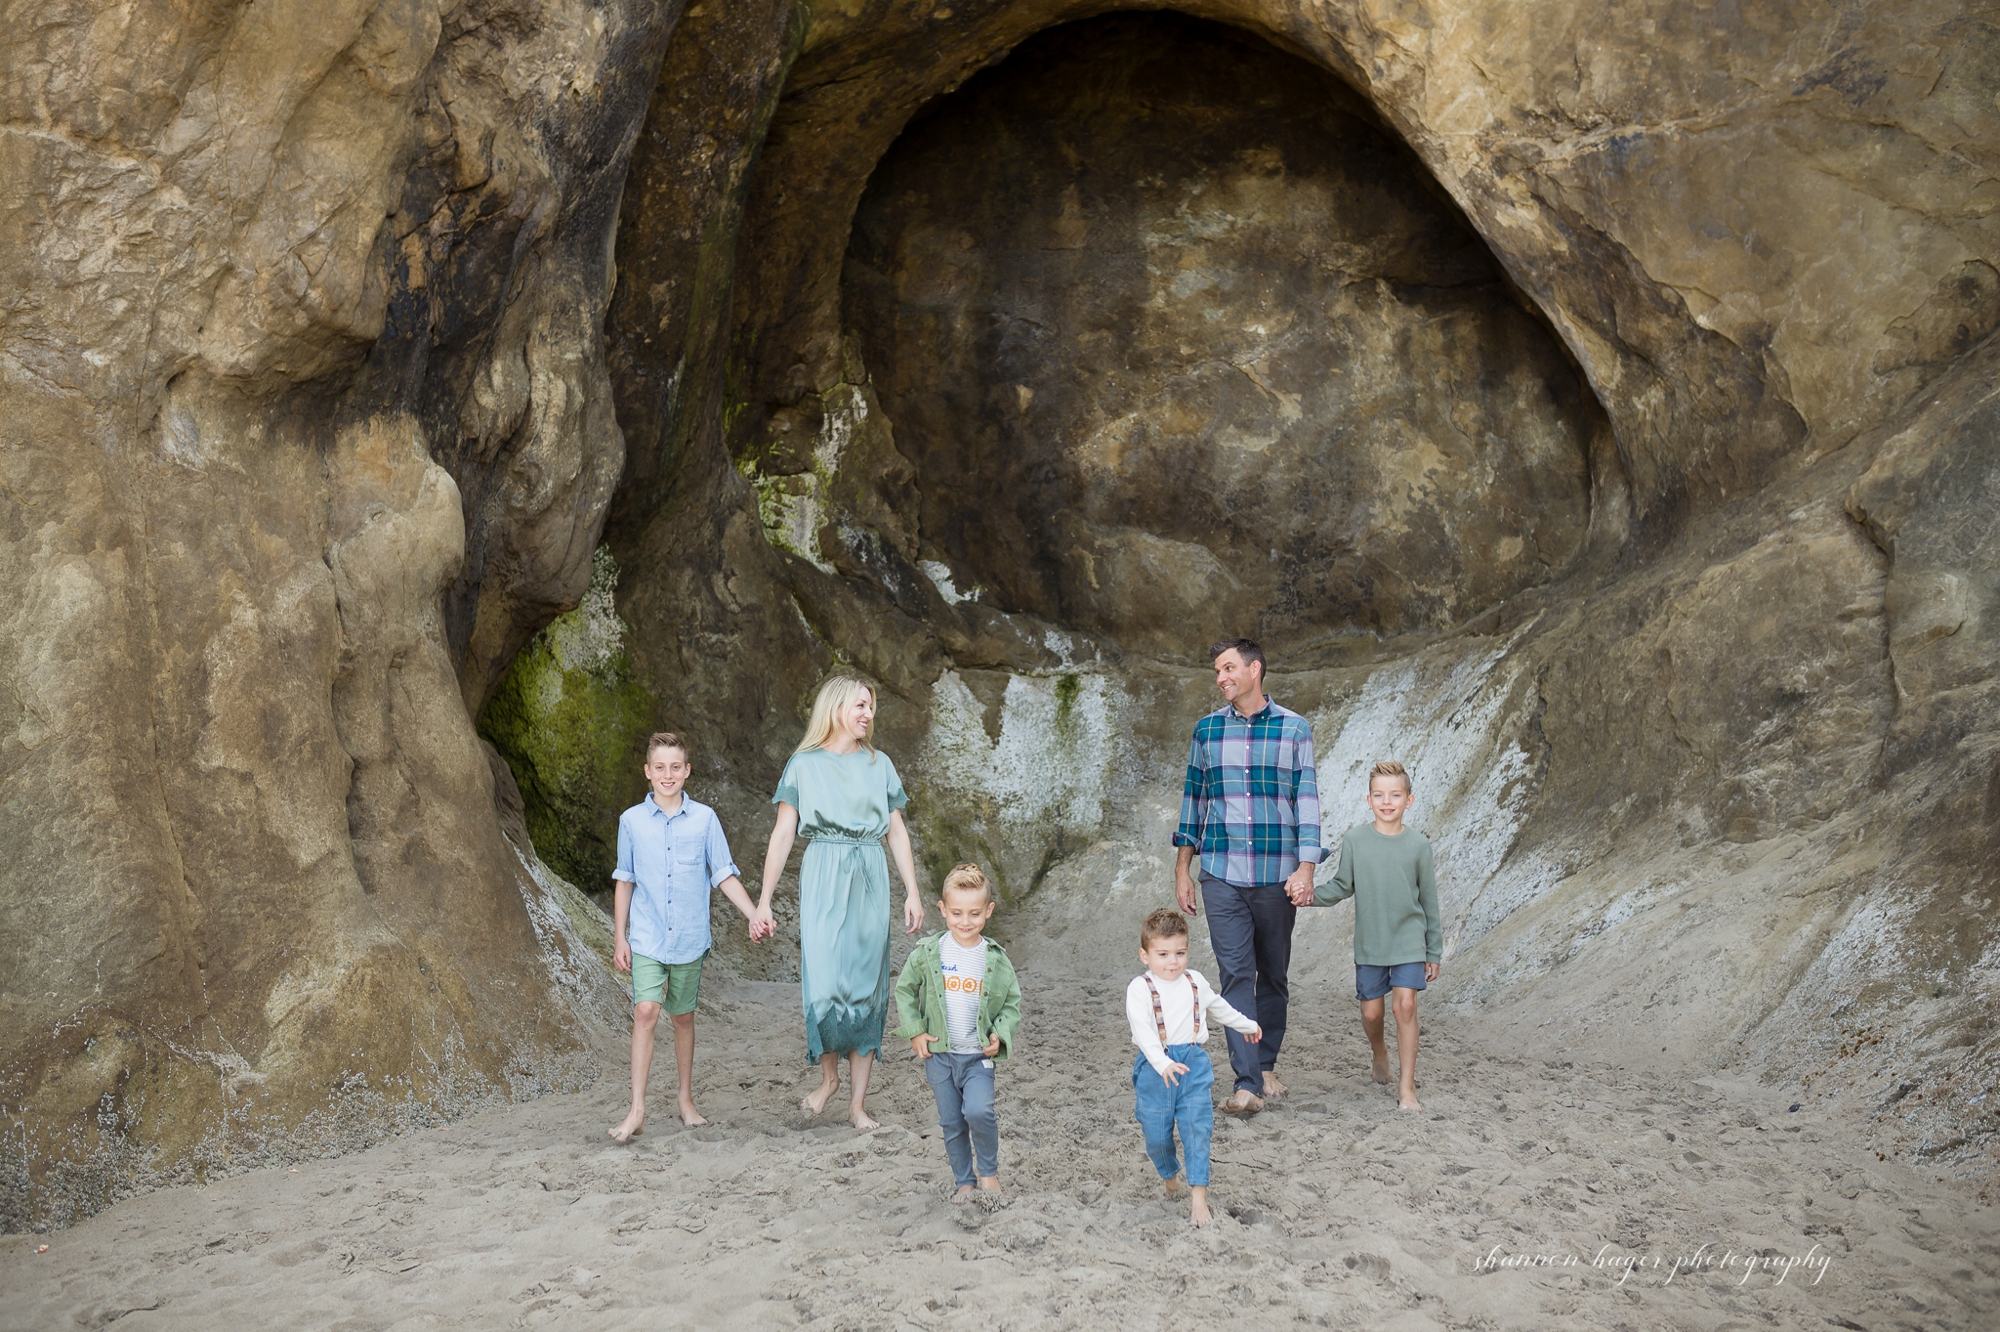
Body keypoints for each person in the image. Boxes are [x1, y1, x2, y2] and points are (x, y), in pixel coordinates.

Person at [753, 675, 925, 1129]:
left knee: (866, 985)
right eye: (860, 705)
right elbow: (783, 833)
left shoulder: (880, 764)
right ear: (835, 708)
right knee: (826, 983)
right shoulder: (803, 765)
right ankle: (828, 1079)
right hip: (824, 871)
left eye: (871, 706)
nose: (868, 714)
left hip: (869, 873)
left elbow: (896, 831)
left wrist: (912, 890)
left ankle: (856, 1105)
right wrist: (764, 900)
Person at [1172, 637, 1326, 1115]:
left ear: (1254, 670)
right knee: (1236, 973)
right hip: (1220, 872)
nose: (1220, 677)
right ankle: (1247, 1082)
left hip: (1278, 875)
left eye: (1228, 668)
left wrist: (1305, 868)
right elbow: (1193, 801)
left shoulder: (1295, 730)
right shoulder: (1206, 732)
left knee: (1272, 975)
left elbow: (1307, 801)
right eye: (1217, 670)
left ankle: (1266, 1062)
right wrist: (1183, 868)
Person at [608, 732, 763, 1143]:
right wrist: (619, 937)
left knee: (683, 1018)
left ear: (687, 771)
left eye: (675, 767)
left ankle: (685, 1098)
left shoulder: (705, 819)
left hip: (689, 938)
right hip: (646, 937)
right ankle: (637, 1108)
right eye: (659, 767)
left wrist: (753, 914)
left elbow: (724, 873)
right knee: (645, 1011)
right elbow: (625, 881)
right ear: (647, 772)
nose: (668, 774)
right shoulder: (631, 822)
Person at [1312, 760, 1442, 1112]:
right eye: (1379, 795)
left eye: (1395, 795)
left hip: (1408, 940)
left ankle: (1407, 1087)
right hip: (1371, 942)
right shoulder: (1355, 840)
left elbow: (1429, 901)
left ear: (1409, 800)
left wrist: (1434, 951)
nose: (1387, 802)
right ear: (1369, 800)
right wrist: (1307, 895)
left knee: (1405, 1006)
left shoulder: (1419, 846)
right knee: (1371, 1013)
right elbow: (1341, 886)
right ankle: (1380, 1052)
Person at [892, 863, 1022, 1203]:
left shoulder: (994, 959)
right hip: (940, 1055)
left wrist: (1000, 1034)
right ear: (943, 910)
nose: (965, 922)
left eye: (975, 914)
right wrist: (916, 1031)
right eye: (957, 913)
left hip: (977, 1056)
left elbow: (1011, 1002)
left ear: (988, 911)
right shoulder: (929, 952)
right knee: (951, 1120)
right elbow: (905, 990)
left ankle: (989, 1174)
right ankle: (964, 1181)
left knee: (979, 1112)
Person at [1126, 907, 1262, 1228]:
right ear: (1145, 956)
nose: (1172, 961)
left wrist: (1246, 1026)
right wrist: (1162, 1063)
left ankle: (1199, 1199)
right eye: (1163, 954)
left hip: (1193, 1064)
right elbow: (1143, 1031)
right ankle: (1169, 1173)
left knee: (1197, 1130)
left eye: (1180, 953)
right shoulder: (1139, 988)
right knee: (1157, 1135)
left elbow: (1218, 1007)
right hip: (1155, 1067)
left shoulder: (1195, 981)